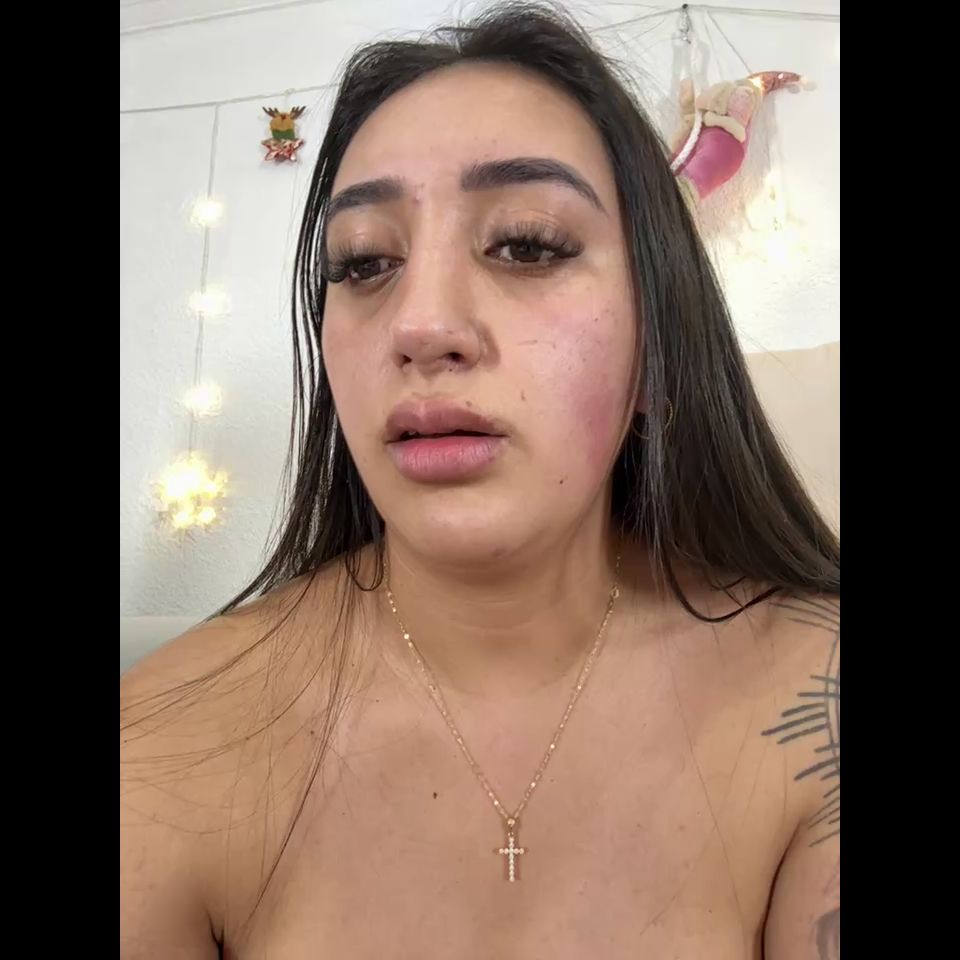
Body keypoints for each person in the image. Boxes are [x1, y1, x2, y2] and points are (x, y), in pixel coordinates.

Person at [121, 4, 840, 957]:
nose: (419, 326)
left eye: (529, 244)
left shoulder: (814, 697)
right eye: (363, 262)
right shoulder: (166, 739)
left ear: (657, 342)